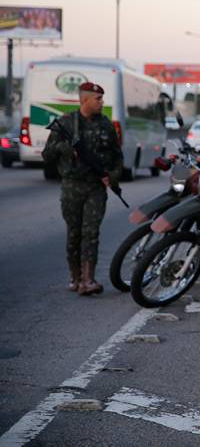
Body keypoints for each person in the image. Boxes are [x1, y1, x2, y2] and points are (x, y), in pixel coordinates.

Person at [41, 82, 123, 295]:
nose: (101, 103)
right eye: (98, 99)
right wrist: (67, 150)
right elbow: (47, 155)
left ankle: (89, 279)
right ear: (85, 100)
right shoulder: (66, 124)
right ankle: (75, 277)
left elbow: (117, 156)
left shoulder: (105, 125)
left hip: (96, 186)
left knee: (91, 232)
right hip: (72, 186)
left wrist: (112, 177)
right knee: (74, 233)